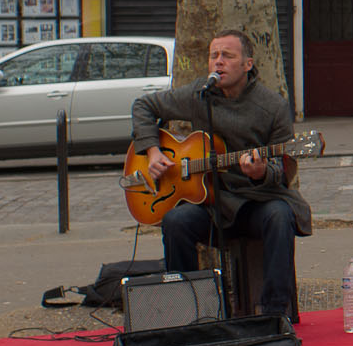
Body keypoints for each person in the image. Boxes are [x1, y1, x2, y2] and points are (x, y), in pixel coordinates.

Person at [131, 28, 313, 319]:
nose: (218, 62)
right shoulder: (198, 95)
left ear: (247, 64)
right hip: (212, 203)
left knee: (280, 216)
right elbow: (143, 106)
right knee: (176, 221)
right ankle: (189, 314)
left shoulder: (273, 106)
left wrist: (261, 172)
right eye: (214, 55)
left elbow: (284, 169)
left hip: (256, 202)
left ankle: (275, 315)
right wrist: (152, 150)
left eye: (227, 56)